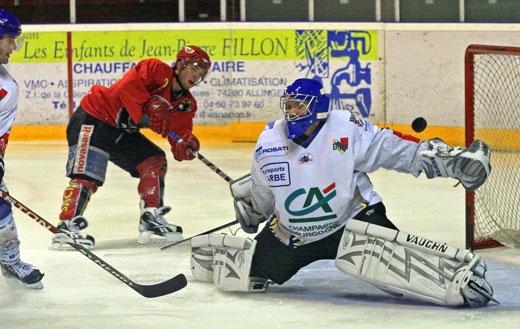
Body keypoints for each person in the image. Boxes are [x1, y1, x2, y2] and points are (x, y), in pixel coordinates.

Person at [190, 78, 497, 307]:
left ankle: (458, 279)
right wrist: (254, 210)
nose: (292, 112)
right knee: (250, 272)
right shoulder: (269, 142)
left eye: (299, 105)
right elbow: (263, 194)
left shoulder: (346, 128)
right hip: (293, 237)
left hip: (355, 224)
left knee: (404, 269)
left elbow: (393, 150)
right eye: (289, 106)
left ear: (318, 108)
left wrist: (446, 163)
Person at [52, 45, 211, 250]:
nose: (197, 76)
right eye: (195, 68)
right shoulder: (155, 70)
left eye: (202, 73)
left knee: (153, 160)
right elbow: (125, 91)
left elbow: (179, 133)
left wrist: (184, 143)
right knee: (87, 173)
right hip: (95, 117)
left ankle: (150, 216)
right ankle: (66, 225)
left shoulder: (185, 103)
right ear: (180, 64)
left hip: (119, 130)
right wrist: (149, 107)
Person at [0, 8, 44, 288]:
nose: (14, 47)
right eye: (9, 40)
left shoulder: (6, 88)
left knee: (1, 208)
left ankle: (10, 259)